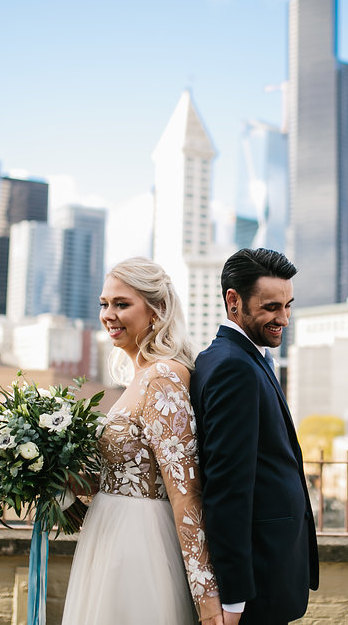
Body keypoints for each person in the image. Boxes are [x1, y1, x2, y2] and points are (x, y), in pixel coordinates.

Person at [62, 257, 223, 625]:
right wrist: (55, 476)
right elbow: (122, 475)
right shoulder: (136, 379)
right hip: (105, 542)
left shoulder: (163, 377)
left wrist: (207, 597)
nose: (109, 315)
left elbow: (185, 490)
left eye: (122, 304)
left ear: (157, 310)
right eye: (104, 304)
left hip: (140, 549)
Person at [191, 248, 319, 624]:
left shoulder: (246, 357)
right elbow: (228, 489)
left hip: (270, 571)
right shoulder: (234, 367)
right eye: (271, 307)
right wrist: (233, 600)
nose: (284, 318)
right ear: (234, 300)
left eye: (288, 306)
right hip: (255, 587)